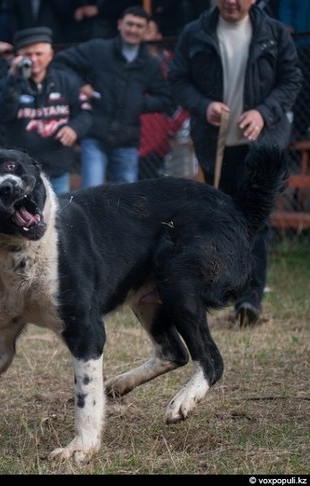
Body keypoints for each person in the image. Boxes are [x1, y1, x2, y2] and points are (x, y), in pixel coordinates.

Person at [168, 0, 302, 326]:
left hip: (261, 142)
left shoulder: (274, 33)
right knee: (220, 218)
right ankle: (220, 291)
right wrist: (204, 106)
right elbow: (178, 79)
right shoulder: (196, 32)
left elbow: (291, 80)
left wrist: (263, 113)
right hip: (216, 143)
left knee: (256, 219)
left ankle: (249, 300)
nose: (231, 1)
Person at [51, 5, 172, 188]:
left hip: (127, 140)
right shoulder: (98, 49)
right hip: (94, 135)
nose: (133, 30)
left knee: (126, 199)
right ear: (119, 24)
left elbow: (166, 98)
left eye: (139, 26)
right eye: (129, 24)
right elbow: (60, 63)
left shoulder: (150, 64)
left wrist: (139, 103)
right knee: (91, 193)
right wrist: (81, 86)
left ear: (146, 30)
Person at [0, 27, 91, 194]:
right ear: (18, 57)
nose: (34, 59)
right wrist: (13, 81)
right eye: (28, 55)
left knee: (58, 217)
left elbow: (86, 112)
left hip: (57, 168)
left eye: (39, 54)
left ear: (50, 55)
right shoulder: (6, 85)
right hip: (19, 171)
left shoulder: (67, 82)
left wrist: (74, 128)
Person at [138, 17, 191, 179]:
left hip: (175, 128)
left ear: (158, 36)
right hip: (140, 133)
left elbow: (181, 94)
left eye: (147, 30)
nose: (142, 34)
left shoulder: (171, 63)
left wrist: (175, 123)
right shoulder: (129, 62)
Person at [278, 0, 310, 138]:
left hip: (301, 40)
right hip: (301, 44)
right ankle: (301, 130)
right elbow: (286, 6)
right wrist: (287, 25)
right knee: (302, 89)